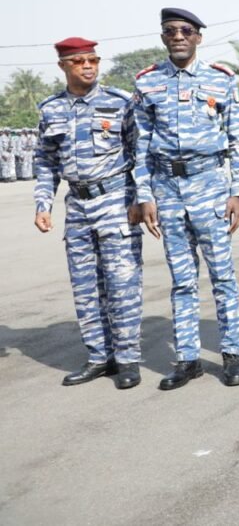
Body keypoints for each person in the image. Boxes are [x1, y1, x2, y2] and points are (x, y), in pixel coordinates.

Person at [133, 8, 239, 390]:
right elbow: (140, 146)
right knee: (182, 281)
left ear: (199, 36)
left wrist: (237, 191)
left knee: (222, 276)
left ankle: (231, 355)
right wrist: (145, 196)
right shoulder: (147, 83)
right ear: (163, 37)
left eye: (186, 30)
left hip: (210, 186)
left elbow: (238, 140)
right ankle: (188, 359)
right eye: (170, 31)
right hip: (167, 191)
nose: (178, 36)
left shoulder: (221, 80)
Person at [33, 37, 144, 389]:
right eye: (79, 61)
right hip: (77, 206)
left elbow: (140, 153)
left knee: (122, 285)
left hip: (115, 200)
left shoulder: (120, 102)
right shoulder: (51, 109)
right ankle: (99, 357)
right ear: (63, 66)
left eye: (93, 60)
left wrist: (141, 199)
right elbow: (45, 161)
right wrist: (43, 204)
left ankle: (127, 359)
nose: (87, 66)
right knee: (85, 287)